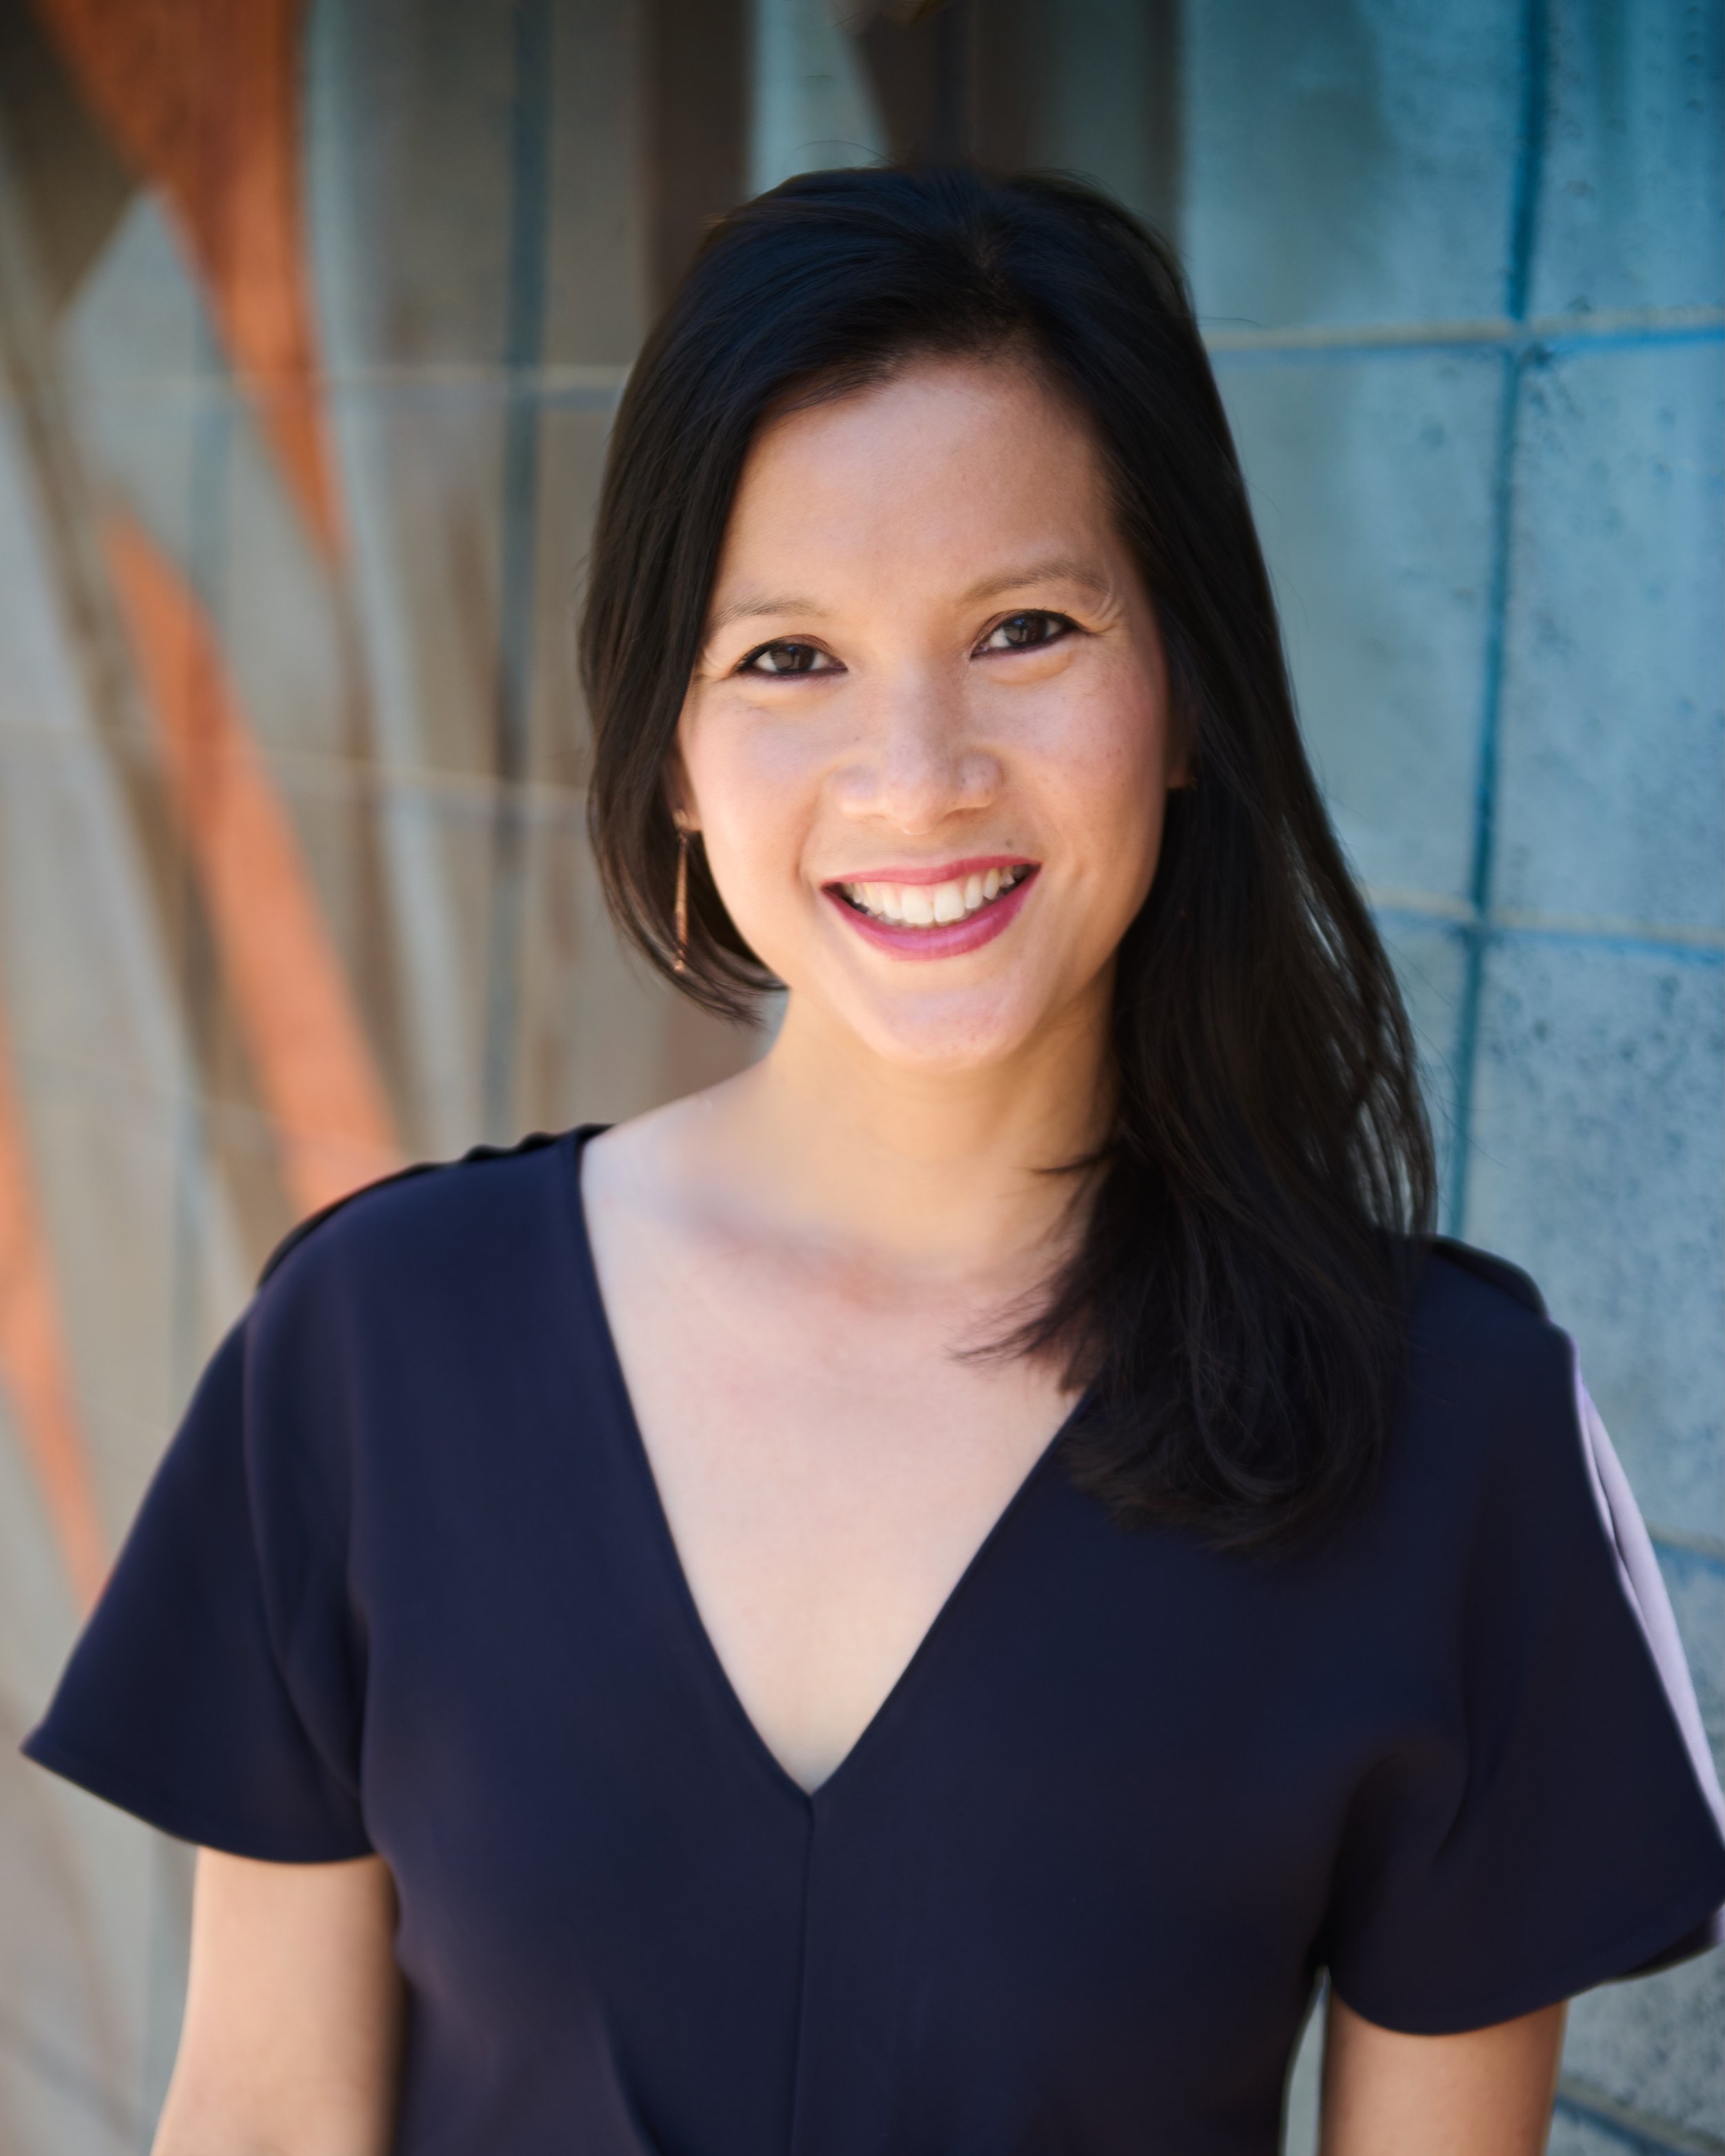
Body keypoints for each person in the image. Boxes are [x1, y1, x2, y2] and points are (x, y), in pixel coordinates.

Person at [25, 166, 1724, 2156]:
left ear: (1182, 690)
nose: (914, 774)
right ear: (667, 748)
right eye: (787, 659)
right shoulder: (379, 1352)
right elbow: (254, 2124)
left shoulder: (1444, 1431)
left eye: (1024, 628)